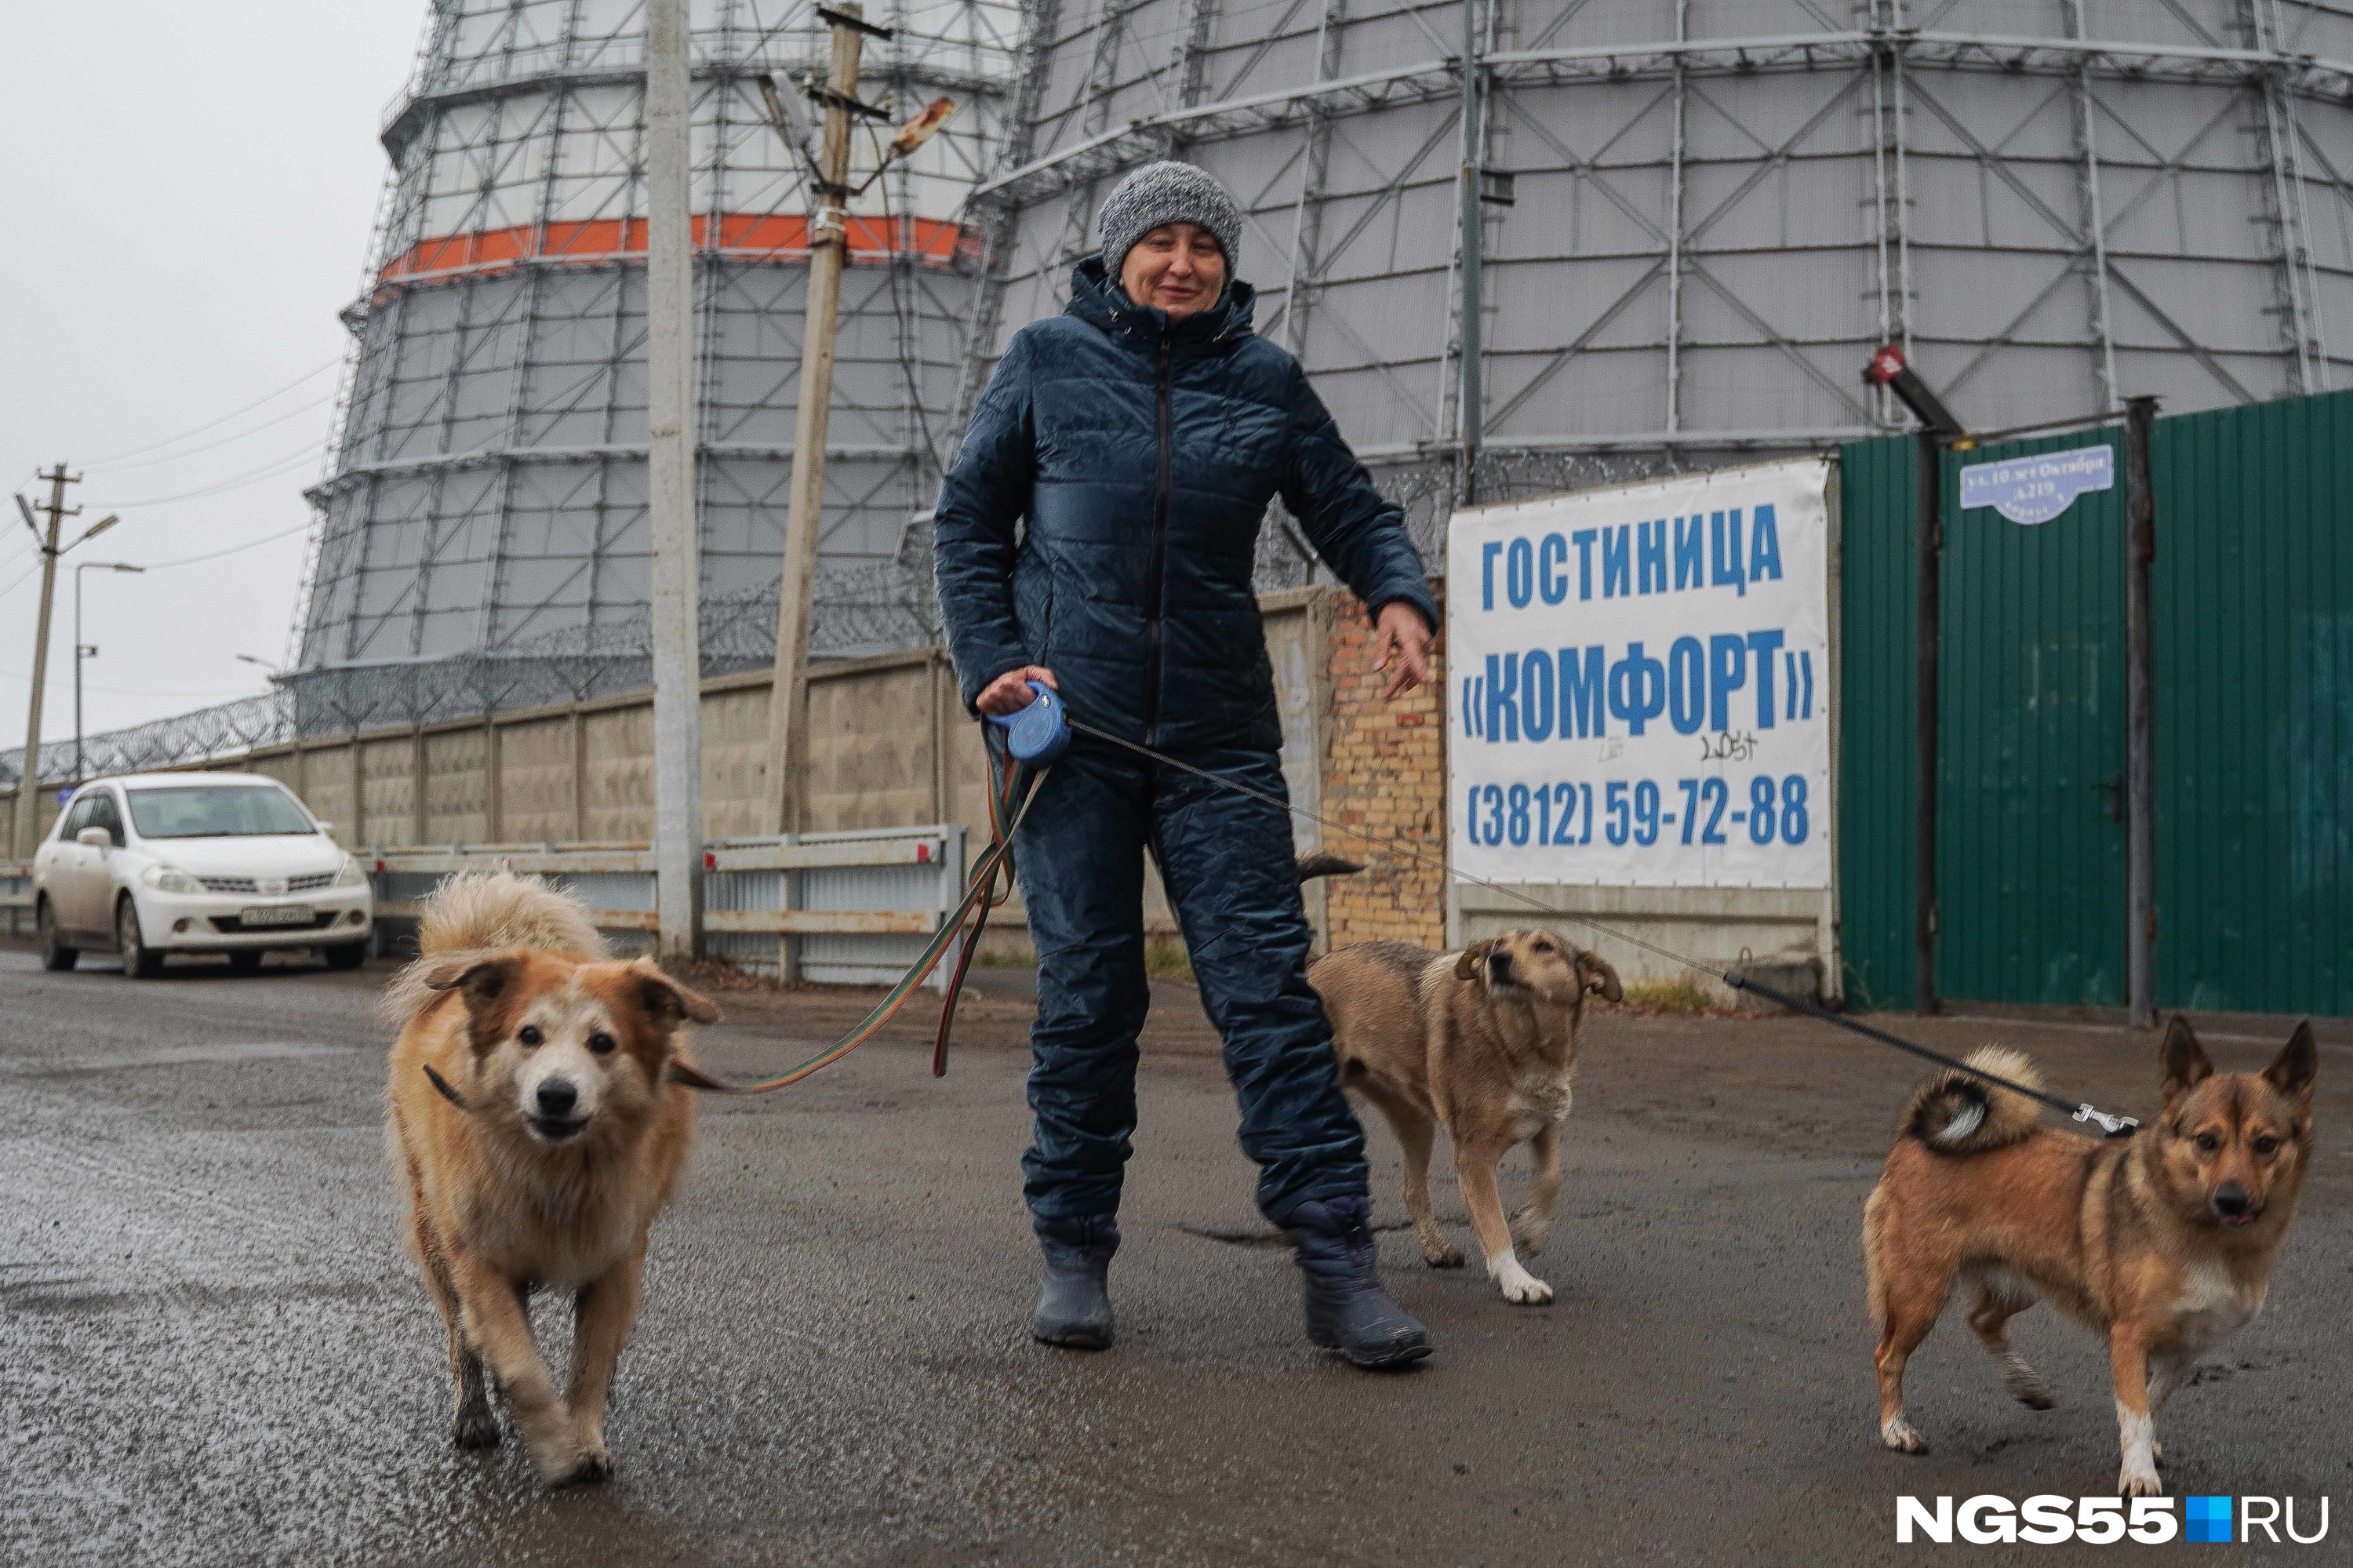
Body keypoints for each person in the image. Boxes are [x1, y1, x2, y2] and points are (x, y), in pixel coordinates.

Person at [933, 161, 1439, 1369]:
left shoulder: (1263, 378)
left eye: (1201, 243)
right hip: (1074, 736)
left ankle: (1337, 1262)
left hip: (1218, 739)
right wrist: (996, 664)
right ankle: (1073, 1250)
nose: (1180, 261)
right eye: (1155, 241)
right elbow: (966, 523)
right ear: (1114, 258)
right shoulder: (1047, 361)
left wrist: (1398, 595)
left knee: (1270, 996)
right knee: (1093, 996)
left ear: (1225, 262)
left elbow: (1350, 507)